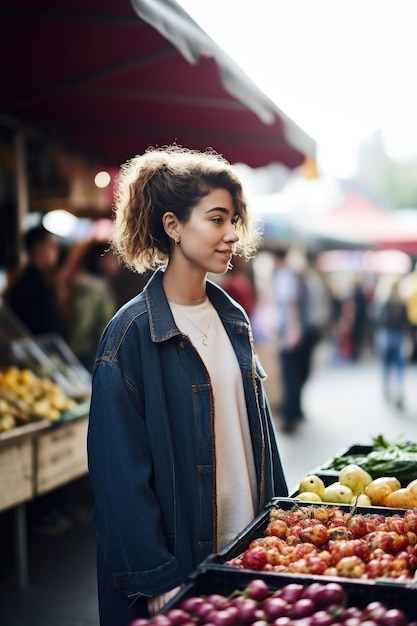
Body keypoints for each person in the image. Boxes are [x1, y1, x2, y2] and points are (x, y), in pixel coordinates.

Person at [87, 145, 288, 626]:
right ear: (173, 226)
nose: (233, 234)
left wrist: (282, 528)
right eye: (217, 219)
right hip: (179, 572)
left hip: (248, 557)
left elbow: (258, 436)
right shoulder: (130, 335)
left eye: (235, 219)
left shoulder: (233, 318)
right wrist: (157, 576)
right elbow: (118, 478)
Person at [63, 240, 119, 372]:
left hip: (73, 349)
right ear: (99, 258)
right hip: (85, 353)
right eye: (112, 258)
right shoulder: (95, 290)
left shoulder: (74, 281)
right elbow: (87, 324)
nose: (117, 264)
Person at [271, 247, 308, 433]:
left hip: (288, 333)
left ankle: (290, 416)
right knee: (293, 374)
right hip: (290, 331)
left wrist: (293, 331)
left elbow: (289, 305)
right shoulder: (290, 275)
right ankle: (294, 414)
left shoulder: (284, 276)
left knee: (289, 375)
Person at [5, 225, 65, 337]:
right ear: (37, 247)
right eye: (52, 246)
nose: (57, 251)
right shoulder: (33, 284)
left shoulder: (35, 280)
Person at [374, 277, 411, 410]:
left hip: (387, 336)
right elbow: (406, 323)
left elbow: (378, 319)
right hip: (399, 336)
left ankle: (387, 390)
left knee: (386, 365)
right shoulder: (401, 302)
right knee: (399, 366)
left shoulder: (385, 302)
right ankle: (399, 391)